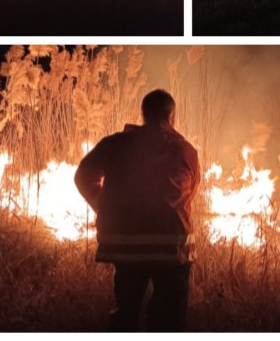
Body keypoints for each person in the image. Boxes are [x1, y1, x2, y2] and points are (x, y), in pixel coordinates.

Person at [74, 89, 201, 332]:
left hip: (126, 247)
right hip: (172, 249)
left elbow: (83, 176)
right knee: (169, 319)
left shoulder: (115, 144)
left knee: (127, 312)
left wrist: (102, 205)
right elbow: (191, 191)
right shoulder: (186, 150)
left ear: (143, 114)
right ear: (171, 116)